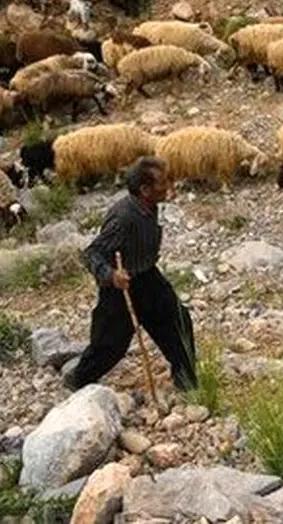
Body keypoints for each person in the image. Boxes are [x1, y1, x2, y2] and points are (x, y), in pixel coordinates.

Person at [64, 156, 197, 391]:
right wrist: (111, 275)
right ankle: (78, 381)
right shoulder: (123, 216)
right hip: (121, 288)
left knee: (178, 322)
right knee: (110, 345)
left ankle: (187, 383)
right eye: (162, 183)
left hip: (148, 277)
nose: (168, 186)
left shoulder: (151, 206)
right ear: (145, 190)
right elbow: (92, 253)